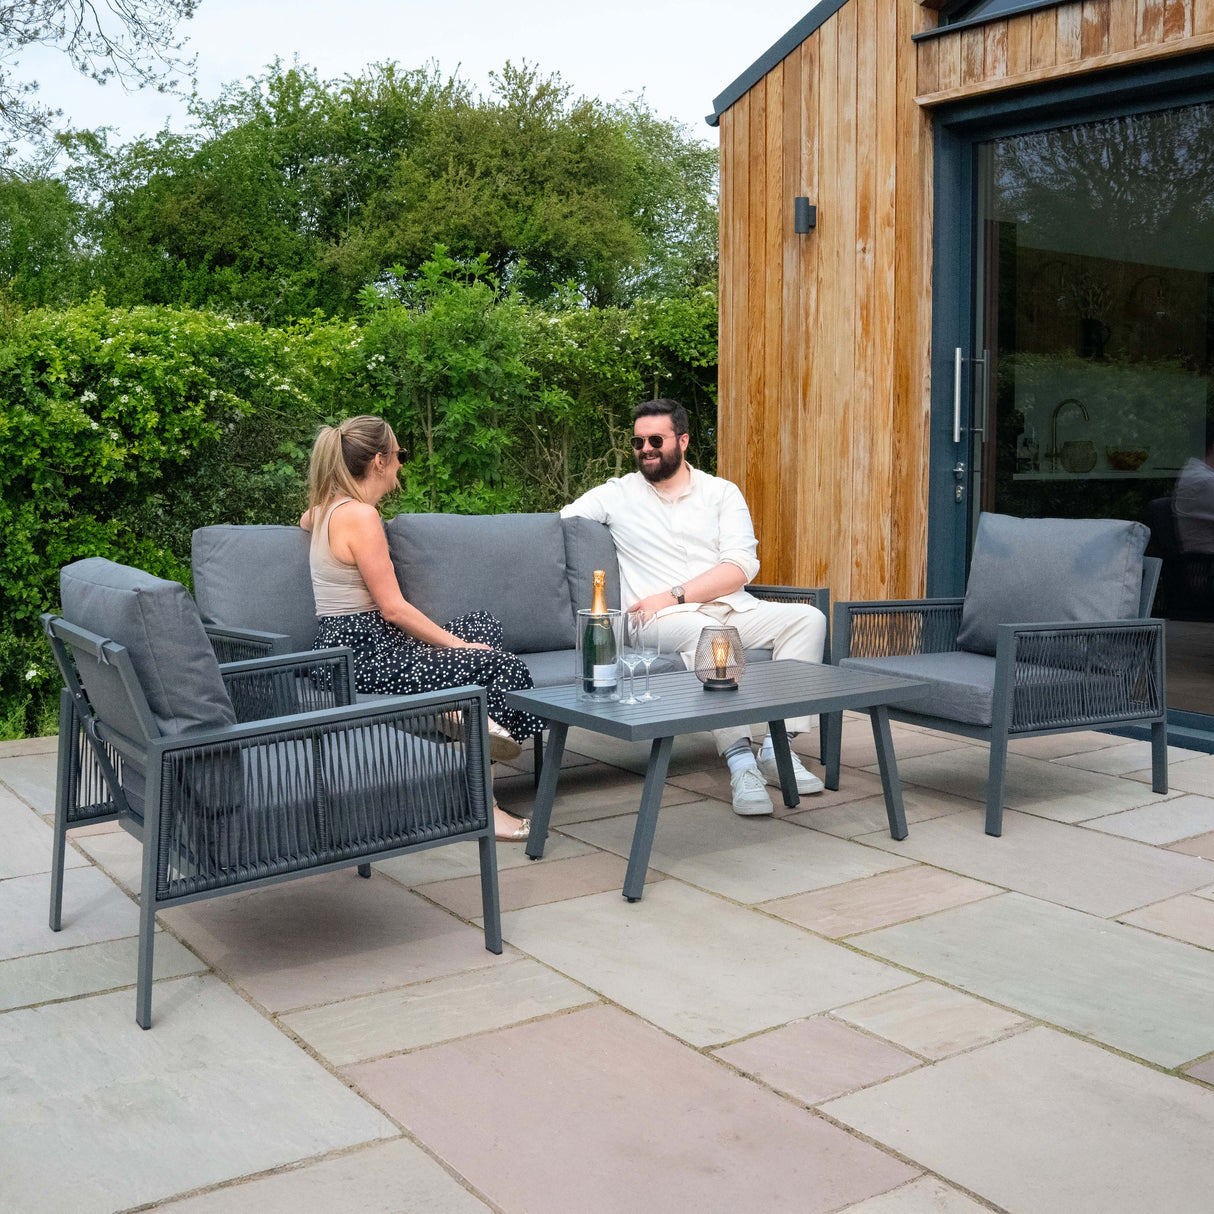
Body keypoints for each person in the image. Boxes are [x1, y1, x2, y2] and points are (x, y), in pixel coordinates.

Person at [561, 398, 827, 815]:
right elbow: (557, 524)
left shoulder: (721, 493)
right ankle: (741, 760)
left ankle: (778, 748)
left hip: (726, 607)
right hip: (654, 621)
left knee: (808, 619)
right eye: (637, 441)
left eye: (655, 439)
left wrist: (675, 593)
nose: (645, 448)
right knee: (707, 635)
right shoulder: (615, 495)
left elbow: (740, 566)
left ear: (683, 440)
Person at [300, 415, 543, 842]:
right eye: (399, 455)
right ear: (378, 461)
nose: (401, 465)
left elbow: (307, 519)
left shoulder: (325, 509)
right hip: (360, 655)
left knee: (483, 625)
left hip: (349, 647)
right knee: (501, 668)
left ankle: (456, 708)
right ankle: (481, 804)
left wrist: (467, 644)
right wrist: (462, 648)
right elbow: (393, 609)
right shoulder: (360, 516)